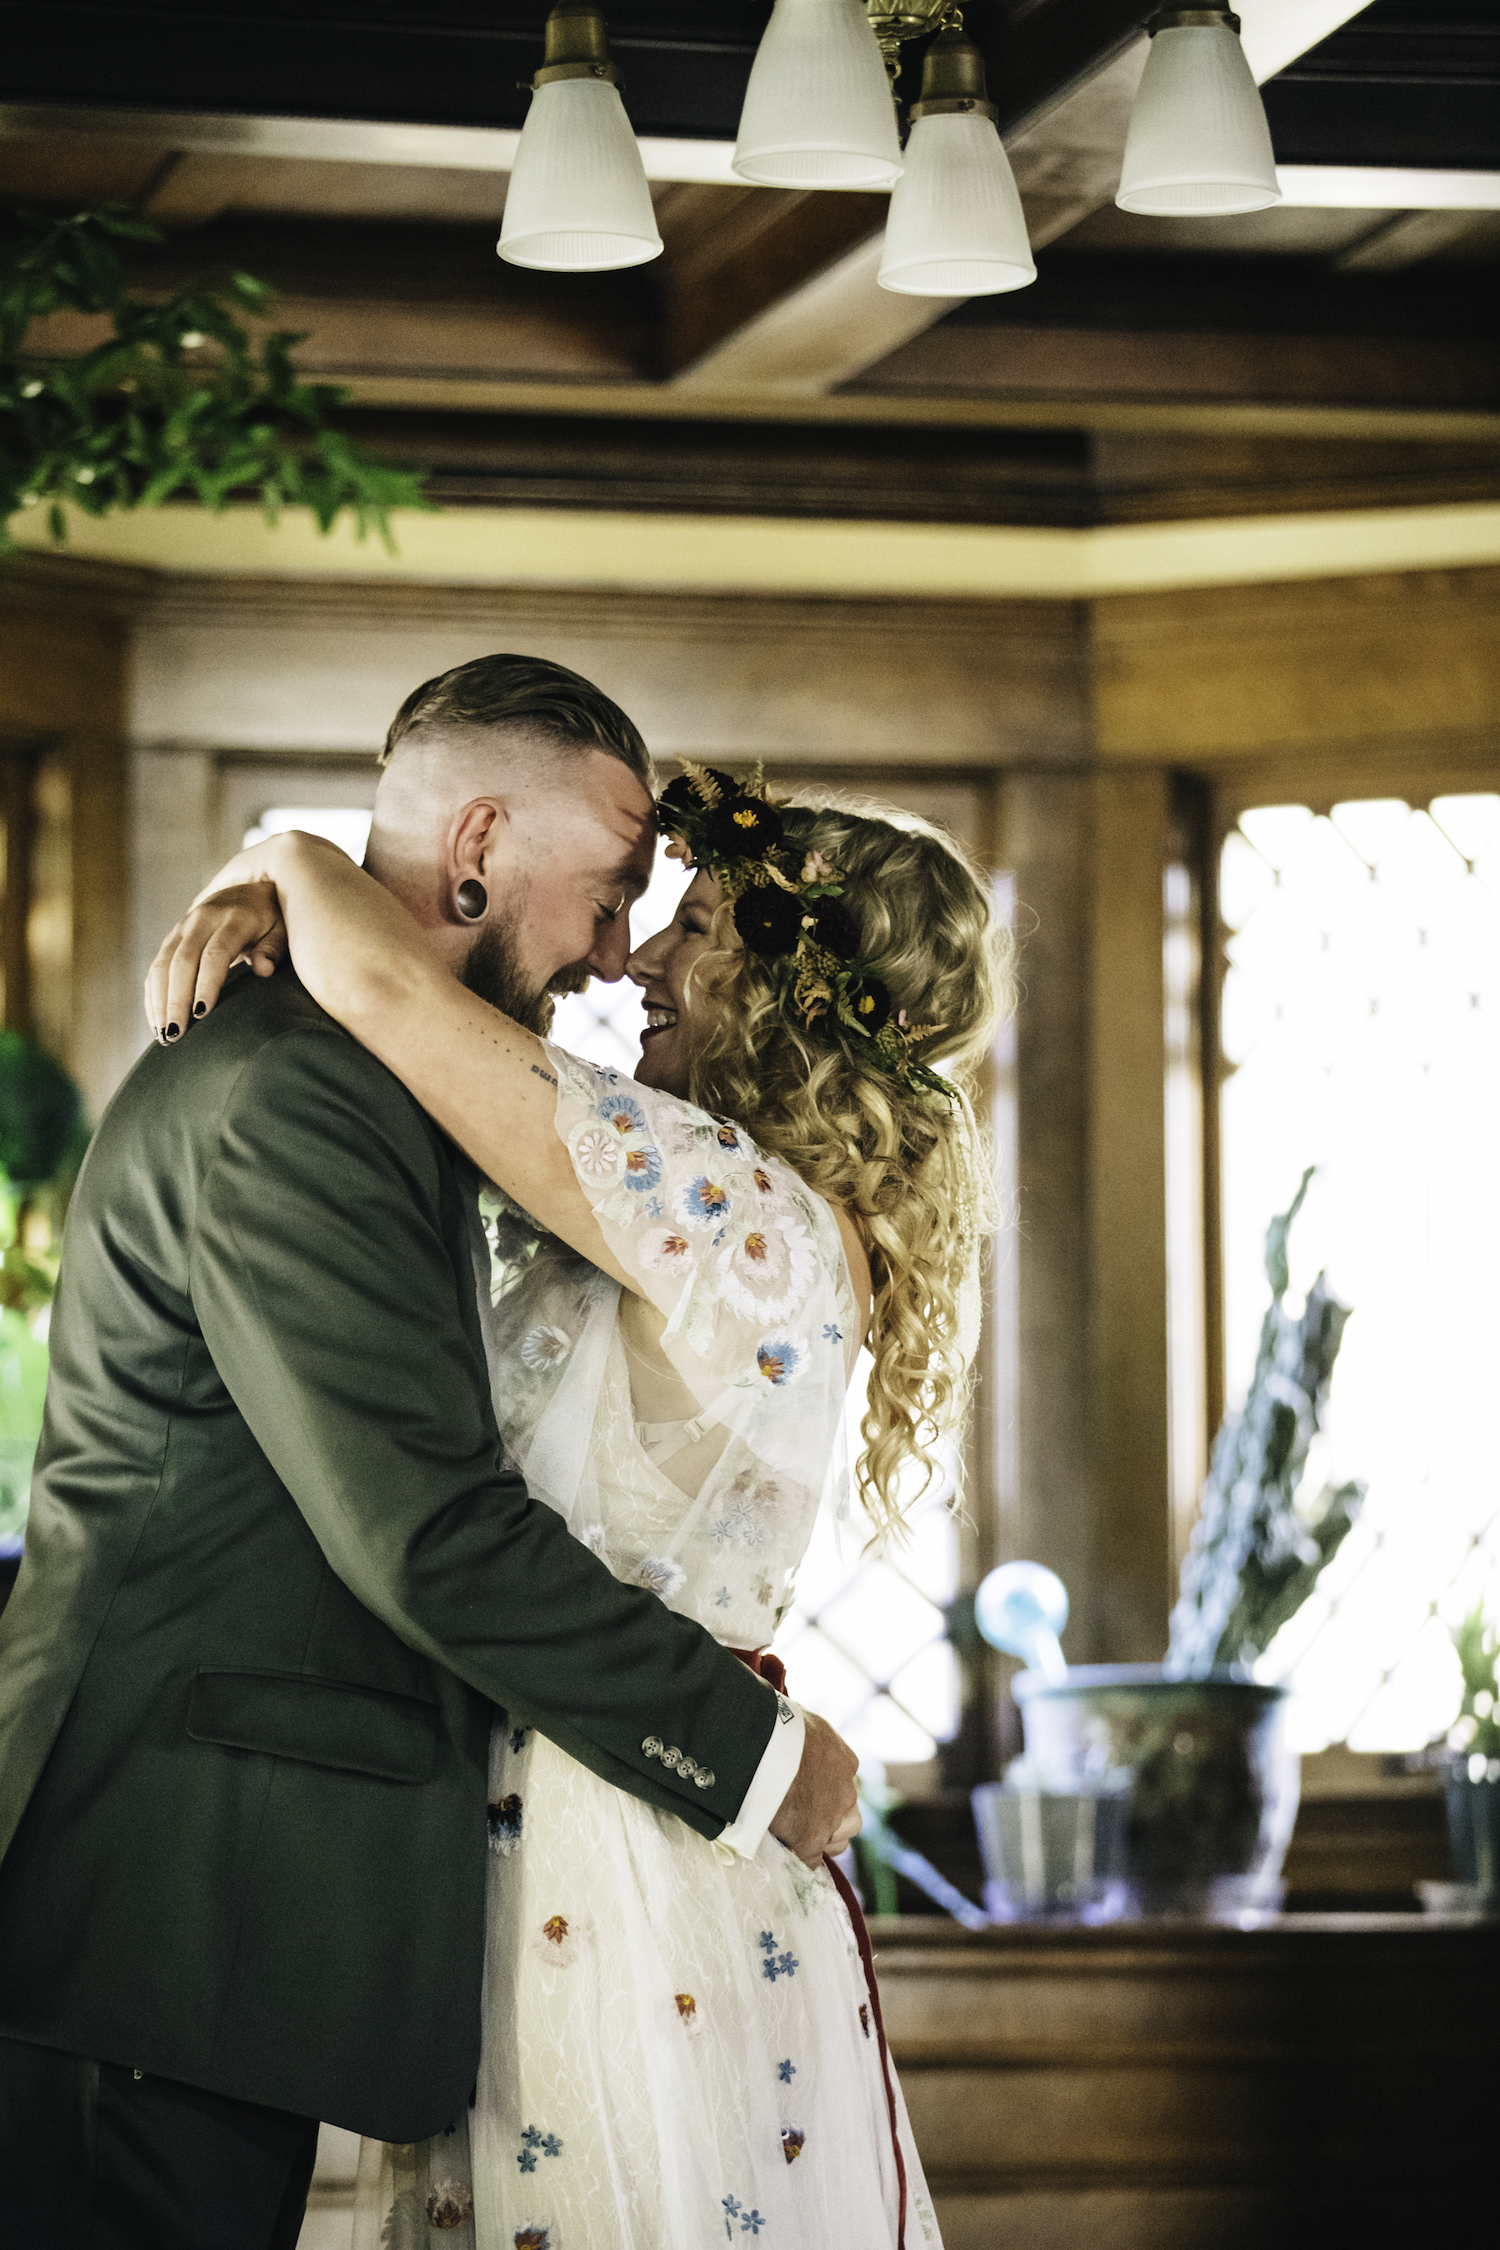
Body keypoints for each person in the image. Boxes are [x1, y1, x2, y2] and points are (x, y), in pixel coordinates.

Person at [0, 658, 861, 2250]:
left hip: (212, 1922)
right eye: (610, 895)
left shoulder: (369, 1071)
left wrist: (290, 877)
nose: (616, 957)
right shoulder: (295, 1093)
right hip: (146, 1897)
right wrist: (750, 1752)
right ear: (477, 841)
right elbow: (424, 1532)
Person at [147, 745, 1008, 2250]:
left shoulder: (730, 1202)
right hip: (636, 1830)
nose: (647, 962)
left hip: (606, 1869)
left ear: (796, 989)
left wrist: (284, 855)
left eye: (699, 927)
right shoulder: (743, 1210)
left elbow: (406, 1003)